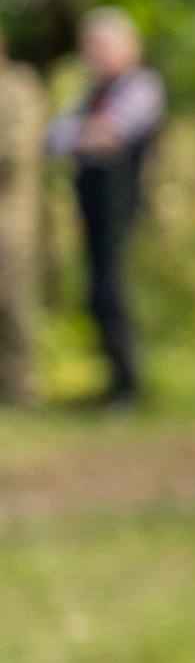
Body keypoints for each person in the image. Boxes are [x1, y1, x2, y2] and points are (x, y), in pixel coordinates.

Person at [44, 8, 166, 409]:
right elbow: (54, 138)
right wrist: (87, 134)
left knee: (111, 290)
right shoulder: (92, 93)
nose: (95, 55)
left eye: (102, 46)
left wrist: (85, 134)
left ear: (129, 47)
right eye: (90, 48)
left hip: (120, 205)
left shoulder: (142, 86)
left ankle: (128, 387)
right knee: (95, 292)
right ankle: (113, 384)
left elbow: (113, 133)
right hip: (92, 206)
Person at [0, 20, 49, 407]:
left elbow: (13, 154)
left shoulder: (20, 88)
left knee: (15, 306)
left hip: (11, 220)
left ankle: (21, 392)